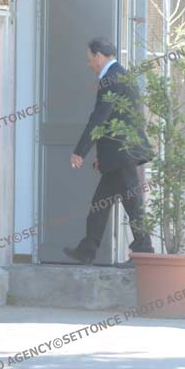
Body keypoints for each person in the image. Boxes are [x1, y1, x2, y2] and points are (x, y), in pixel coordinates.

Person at [64, 37, 155, 267]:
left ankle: (144, 251)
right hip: (120, 153)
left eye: (90, 59)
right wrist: (103, 155)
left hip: (123, 153)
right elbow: (117, 117)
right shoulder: (119, 75)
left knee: (132, 204)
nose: (89, 64)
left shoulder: (112, 78)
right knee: (101, 203)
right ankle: (87, 249)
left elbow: (100, 118)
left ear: (99, 55)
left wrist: (80, 151)